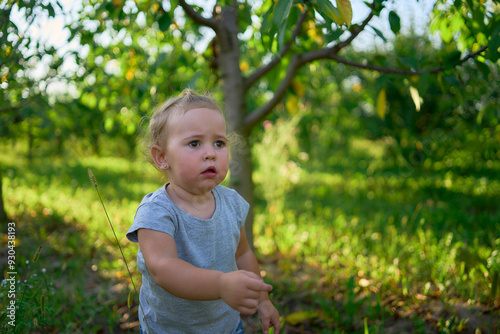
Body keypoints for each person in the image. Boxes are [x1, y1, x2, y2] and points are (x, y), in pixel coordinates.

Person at [126, 90, 280, 334]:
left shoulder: (231, 202)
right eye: (195, 143)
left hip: (225, 325)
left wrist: (262, 299)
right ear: (162, 157)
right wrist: (220, 285)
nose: (211, 153)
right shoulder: (156, 211)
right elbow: (162, 269)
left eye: (219, 143)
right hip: (168, 329)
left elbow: (243, 255)